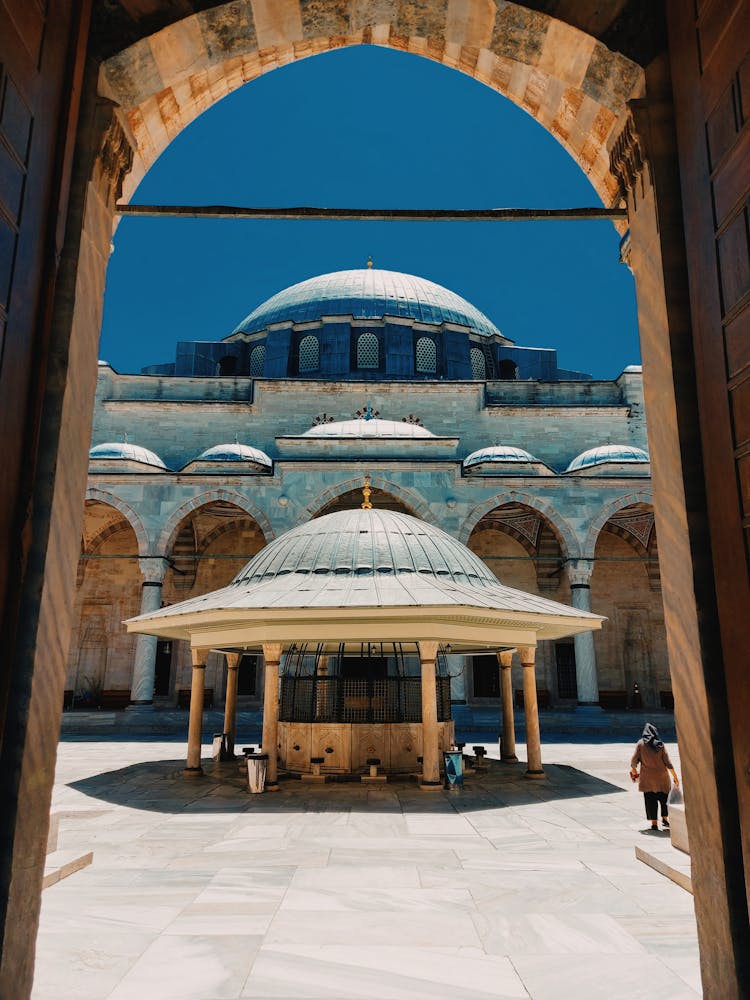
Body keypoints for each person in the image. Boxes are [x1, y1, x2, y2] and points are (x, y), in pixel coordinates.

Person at [630, 722, 679, 831]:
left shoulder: (640, 744)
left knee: (650, 800)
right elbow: (668, 763)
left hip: (647, 779)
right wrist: (675, 777)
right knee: (664, 799)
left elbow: (634, 761)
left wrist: (634, 771)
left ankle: (654, 823)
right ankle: (665, 819)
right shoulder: (660, 744)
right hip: (662, 778)